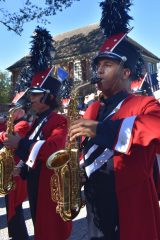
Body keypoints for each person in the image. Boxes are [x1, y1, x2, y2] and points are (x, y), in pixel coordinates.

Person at [69, 34, 160, 240]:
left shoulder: (144, 104)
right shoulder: (92, 109)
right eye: (98, 65)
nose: (99, 70)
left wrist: (100, 130)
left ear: (126, 72)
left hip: (128, 204)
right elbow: (89, 151)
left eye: (107, 64)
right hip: (95, 204)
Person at [3, 67, 72, 240]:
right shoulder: (38, 120)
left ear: (48, 96)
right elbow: (32, 150)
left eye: (35, 94)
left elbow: (52, 149)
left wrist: (19, 142)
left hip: (49, 185)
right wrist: (22, 168)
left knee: (50, 230)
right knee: (40, 226)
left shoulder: (59, 120)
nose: (30, 98)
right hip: (36, 181)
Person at [0, 92, 30, 240]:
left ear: (22, 110)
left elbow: (9, 139)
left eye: (14, 108)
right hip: (10, 170)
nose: (11, 110)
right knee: (11, 207)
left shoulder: (23, 124)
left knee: (15, 207)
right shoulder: (14, 123)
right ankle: (16, 235)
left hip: (17, 171)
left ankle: (21, 236)